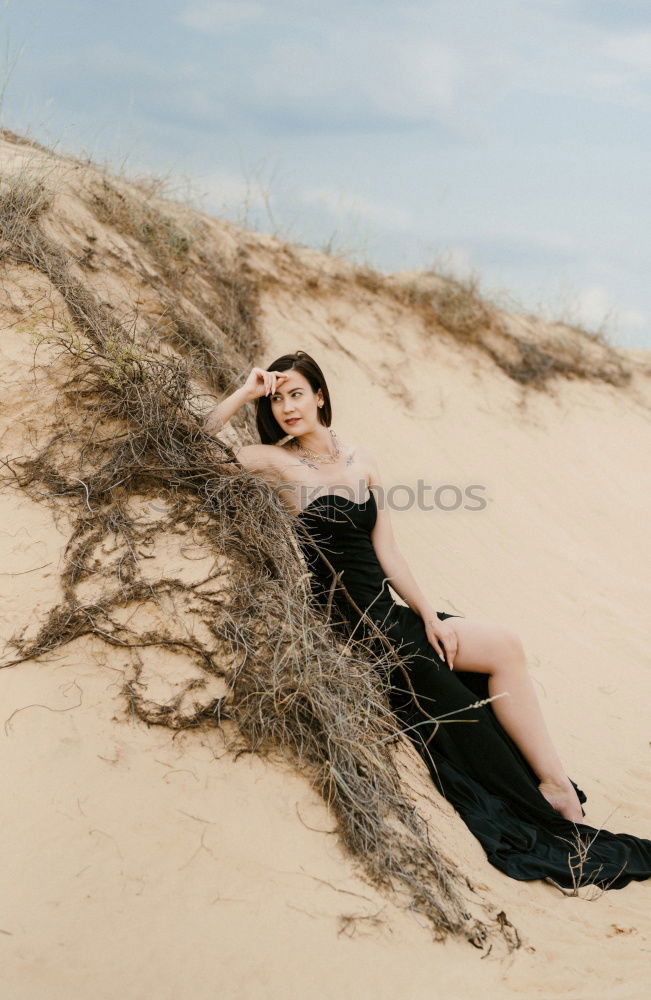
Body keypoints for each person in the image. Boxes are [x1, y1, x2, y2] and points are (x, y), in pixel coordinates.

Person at [207, 349, 651, 890]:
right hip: (351, 629)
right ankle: (539, 797)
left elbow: (389, 554)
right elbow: (199, 447)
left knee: (505, 647)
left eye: (295, 393)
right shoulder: (277, 462)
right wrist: (246, 392)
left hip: (391, 613)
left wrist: (429, 617)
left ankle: (556, 784)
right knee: (460, 702)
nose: (286, 408)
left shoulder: (361, 459)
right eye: (277, 400)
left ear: (320, 395)